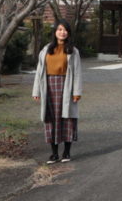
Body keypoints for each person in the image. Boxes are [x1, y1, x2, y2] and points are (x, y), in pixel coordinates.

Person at [32, 19, 82, 164]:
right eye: (59, 29)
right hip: (48, 87)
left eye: (65, 30)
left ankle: (66, 152)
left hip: (67, 86)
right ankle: (54, 154)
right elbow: (39, 71)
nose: (62, 32)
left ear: (69, 33)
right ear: (55, 32)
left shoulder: (73, 51)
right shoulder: (46, 49)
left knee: (67, 119)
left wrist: (76, 92)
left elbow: (77, 72)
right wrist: (36, 91)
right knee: (51, 119)